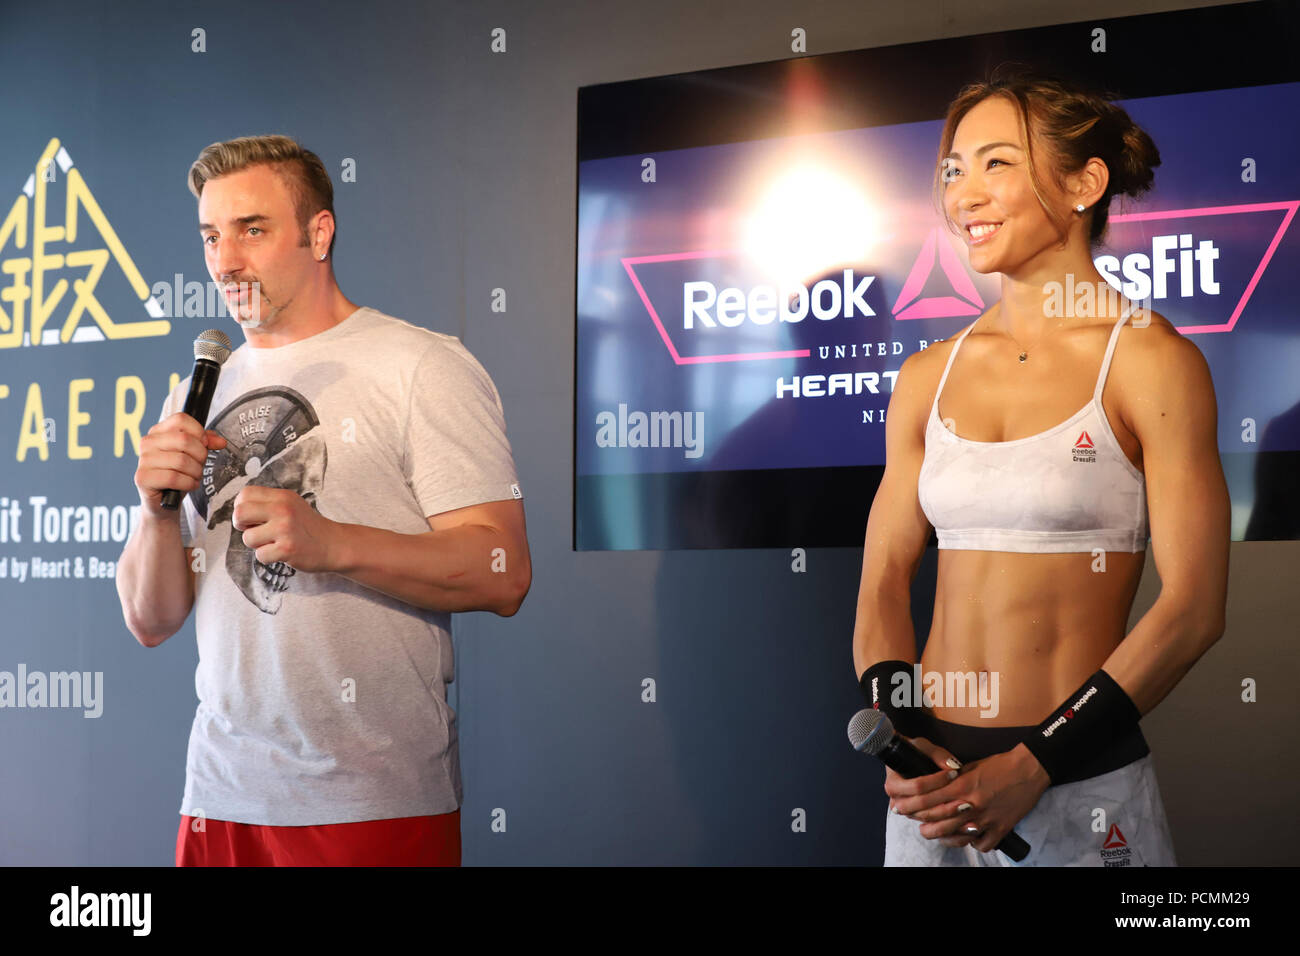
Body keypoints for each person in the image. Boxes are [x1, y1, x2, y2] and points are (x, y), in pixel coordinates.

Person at [115, 134, 531, 866]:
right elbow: (151, 621)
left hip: (371, 802)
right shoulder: (192, 393)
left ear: (319, 232)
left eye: (252, 229)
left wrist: (333, 544)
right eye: (211, 235)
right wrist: (152, 512)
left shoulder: (420, 365)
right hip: (220, 798)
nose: (225, 261)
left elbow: (502, 573)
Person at [851, 65, 1229, 866]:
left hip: (1081, 790)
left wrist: (1032, 765)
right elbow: (884, 577)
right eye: (953, 169)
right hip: (937, 794)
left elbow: (1194, 610)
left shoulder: (1151, 363)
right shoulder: (927, 374)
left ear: (1085, 182)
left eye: (998, 163)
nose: (964, 194)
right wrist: (906, 733)